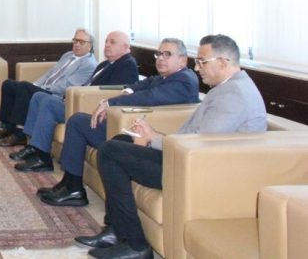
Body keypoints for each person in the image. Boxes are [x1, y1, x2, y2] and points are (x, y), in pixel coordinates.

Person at [76, 34, 266, 259]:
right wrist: (151, 137)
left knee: (110, 152)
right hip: (187, 158)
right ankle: (116, 229)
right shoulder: (228, 87)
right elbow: (196, 139)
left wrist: (153, 139)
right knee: (119, 141)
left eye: (202, 62)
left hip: (198, 170)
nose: (197, 67)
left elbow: (200, 145)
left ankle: (135, 244)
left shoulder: (233, 95)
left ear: (223, 63)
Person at [39, 37, 199, 207]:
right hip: (129, 123)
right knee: (77, 121)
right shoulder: (166, 77)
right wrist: (126, 92)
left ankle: (73, 188)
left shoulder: (184, 80)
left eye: (167, 54)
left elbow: (150, 96)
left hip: (142, 133)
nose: (160, 58)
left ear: (182, 60)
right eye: (159, 54)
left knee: (78, 122)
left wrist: (110, 103)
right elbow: (142, 85)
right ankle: (69, 183)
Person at [11, 31, 140, 173]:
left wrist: (77, 95)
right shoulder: (105, 64)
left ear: (126, 47)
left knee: (47, 102)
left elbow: (116, 93)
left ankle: (43, 158)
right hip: (77, 100)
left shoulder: (127, 65)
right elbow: (87, 85)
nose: (107, 45)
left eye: (112, 42)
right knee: (39, 96)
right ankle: (33, 147)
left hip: (89, 107)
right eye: (106, 42)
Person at [0, 29, 97, 147]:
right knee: (8, 84)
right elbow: (50, 73)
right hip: (44, 87)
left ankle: (20, 135)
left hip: (55, 94)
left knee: (24, 87)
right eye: (75, 40)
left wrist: (42, 87)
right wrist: (35, 84)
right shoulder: (68, 55)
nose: (77, 44)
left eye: (81, 42)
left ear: (90, 46)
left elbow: (66, 87)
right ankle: (8, 127)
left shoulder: (89, 64)